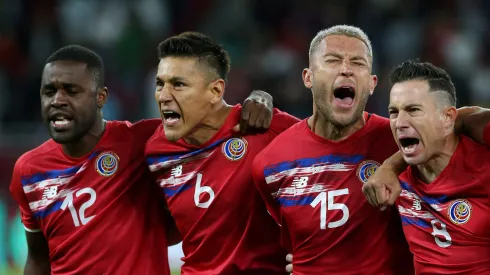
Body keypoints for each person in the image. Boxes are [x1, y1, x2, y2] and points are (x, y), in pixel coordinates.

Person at [9, 45, 275, 274]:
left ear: (101, 97)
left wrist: (258, 98)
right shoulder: (29, 170)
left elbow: (211, 119)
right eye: (49, 92)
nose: (57, 100)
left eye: (71, 90)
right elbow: (37, 259)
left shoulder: (144, 143)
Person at [251, 25, 414, 275]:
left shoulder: (402, 142)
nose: (346, 69)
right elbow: (288, 245)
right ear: (308, 77)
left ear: (372, 84)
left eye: (358, 63)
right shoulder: (270, 164)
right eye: (332, 60)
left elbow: (454, 125)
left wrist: (393, 164)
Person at [145, 31, 300, 275]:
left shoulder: (265, 129)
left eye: (179, 84)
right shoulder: (156, 150)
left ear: (216, 91)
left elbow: (330, 153)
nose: (164, 96)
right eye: (159, 84)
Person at [366, 60, 490, 274]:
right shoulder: (393, 182)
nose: (400, 122)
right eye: (394, 112)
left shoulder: (484, 168)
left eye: (413, 110)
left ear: (448, 117)